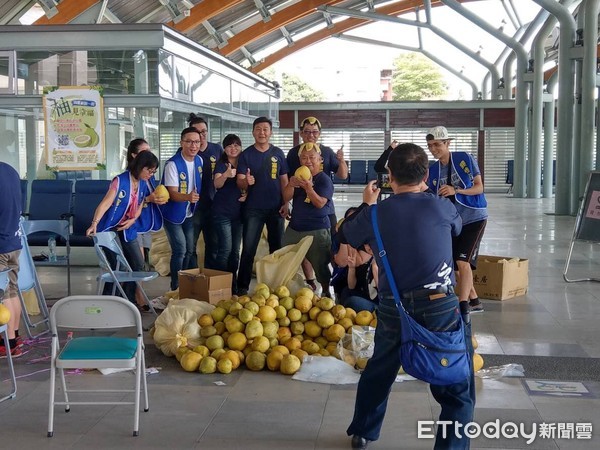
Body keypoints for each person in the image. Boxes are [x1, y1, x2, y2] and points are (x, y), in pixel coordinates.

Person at [339, 143, 473, 450]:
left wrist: (366, 205)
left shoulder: (375, 215)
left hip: (393, 306)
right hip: (440, 304)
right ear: (426, 174)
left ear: (389, 176)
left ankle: (363, 432)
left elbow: (347, 233)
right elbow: (455, 228)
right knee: (455, 387)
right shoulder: (440, 206)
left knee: (381, 368)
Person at [86, 151, 162, 310]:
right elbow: (106, 203)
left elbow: (140, 204)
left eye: (153, 171)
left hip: (127, 227)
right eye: (149, 170)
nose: (151, 174)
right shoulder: (120, 181)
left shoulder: (141, 183)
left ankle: (128, 303)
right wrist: (94, 223)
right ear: (140, 167)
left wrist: (133, 220)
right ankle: (108, 303)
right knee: (117, 268)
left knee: (138, 265)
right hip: (109, 228)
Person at [426, 126, 487, 313]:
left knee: (462, 262)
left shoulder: (464, 159)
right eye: (429, 146)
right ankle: (475, 300)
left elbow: (479, 187)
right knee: (455, 264)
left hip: (474, 217)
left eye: (437, 144)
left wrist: (456, 190)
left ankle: (463, 306)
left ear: (447, 143)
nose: (433, 149)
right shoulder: (433, 169)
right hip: (453, 222)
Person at [287, 116, 348, 291]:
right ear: (301, 133)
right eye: (306, 132)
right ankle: (310, 281)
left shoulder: (327, 152)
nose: (310, 135)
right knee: (304, 247)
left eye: (314, 132)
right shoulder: (294, 153)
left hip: (324, 208)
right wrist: (285, 202)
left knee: (328, 246)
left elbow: (343, 175)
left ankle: (332, 283)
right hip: (301, 207)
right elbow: (287, 179)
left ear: (319, 134)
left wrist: (341, 159)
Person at [236, 117, 289, 296]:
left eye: (265, 129)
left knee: (277, 250)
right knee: (249, 249)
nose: (262, 132)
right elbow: (240, 182)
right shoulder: (246, 155)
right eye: (258, 129)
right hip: (253, 210)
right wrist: (246, 181)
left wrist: (286, 203)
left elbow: (284, 181)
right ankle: (242, 287)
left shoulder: (278, 153)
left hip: (276, 209)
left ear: (271, 132)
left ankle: (276, 287)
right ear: (253, 132)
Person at [282, 143, 334, 297]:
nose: (308, 161)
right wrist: (290, 185)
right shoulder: (297, 176)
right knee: (285, 257)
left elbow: (319, 203)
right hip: (295, 227)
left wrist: (309, 188)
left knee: (321, 265)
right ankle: (291, 287)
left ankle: (325, 292)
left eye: (312, 157)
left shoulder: (324, 180)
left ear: (320, 159)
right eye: (304, 158)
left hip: (317, 229)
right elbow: (285, 197)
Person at [159, 127, 203, 290]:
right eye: (189, 141)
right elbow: (172, 193)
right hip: (172, 215)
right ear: (181, 143)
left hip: (189, 213)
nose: (193, 145)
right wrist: (188, 197)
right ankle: (175, 287)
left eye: (197, 142)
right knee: (180, 250)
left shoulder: (199, 161)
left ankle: (186, 284)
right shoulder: (173, 164)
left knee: (190, 249)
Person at [187, 114, 224, 269]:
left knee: (214, 246)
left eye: (204, 131)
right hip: (193, 207)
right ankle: (192, 281)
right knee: (190, 248)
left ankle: (210, 281)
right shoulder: (186, 151)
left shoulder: (216, 149)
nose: (201, 135)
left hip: (214, 206)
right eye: (197, 132)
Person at [211, 134, 246, 294]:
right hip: (222, 213)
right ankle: (219, 286)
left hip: (238, 214)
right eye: (229, 146)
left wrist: (248, 194)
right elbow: (216, 184)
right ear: (224, 148)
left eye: (236, 145)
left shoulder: (244, 163)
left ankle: (232, 285)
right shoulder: (221, 164)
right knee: (225, 249)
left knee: (235, 252)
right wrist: (226, 174)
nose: (233, 148)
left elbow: (250, 183)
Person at [125, 138, 163, 268]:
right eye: (144, 152)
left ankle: (138, 288)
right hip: (135, 225)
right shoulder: (127, 179)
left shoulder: (147, 176)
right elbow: (129, 202)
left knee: (144, 262)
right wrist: (148, 199)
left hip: (146, 222)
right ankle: (136, 289)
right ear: (134, 156)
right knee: (138, 264)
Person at [0, 162, 24, 358]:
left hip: (0, 244)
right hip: (13, 240)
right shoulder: (10, 170)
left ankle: (6, 343)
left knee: (4, 295)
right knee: (12, 290)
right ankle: (14, 337)